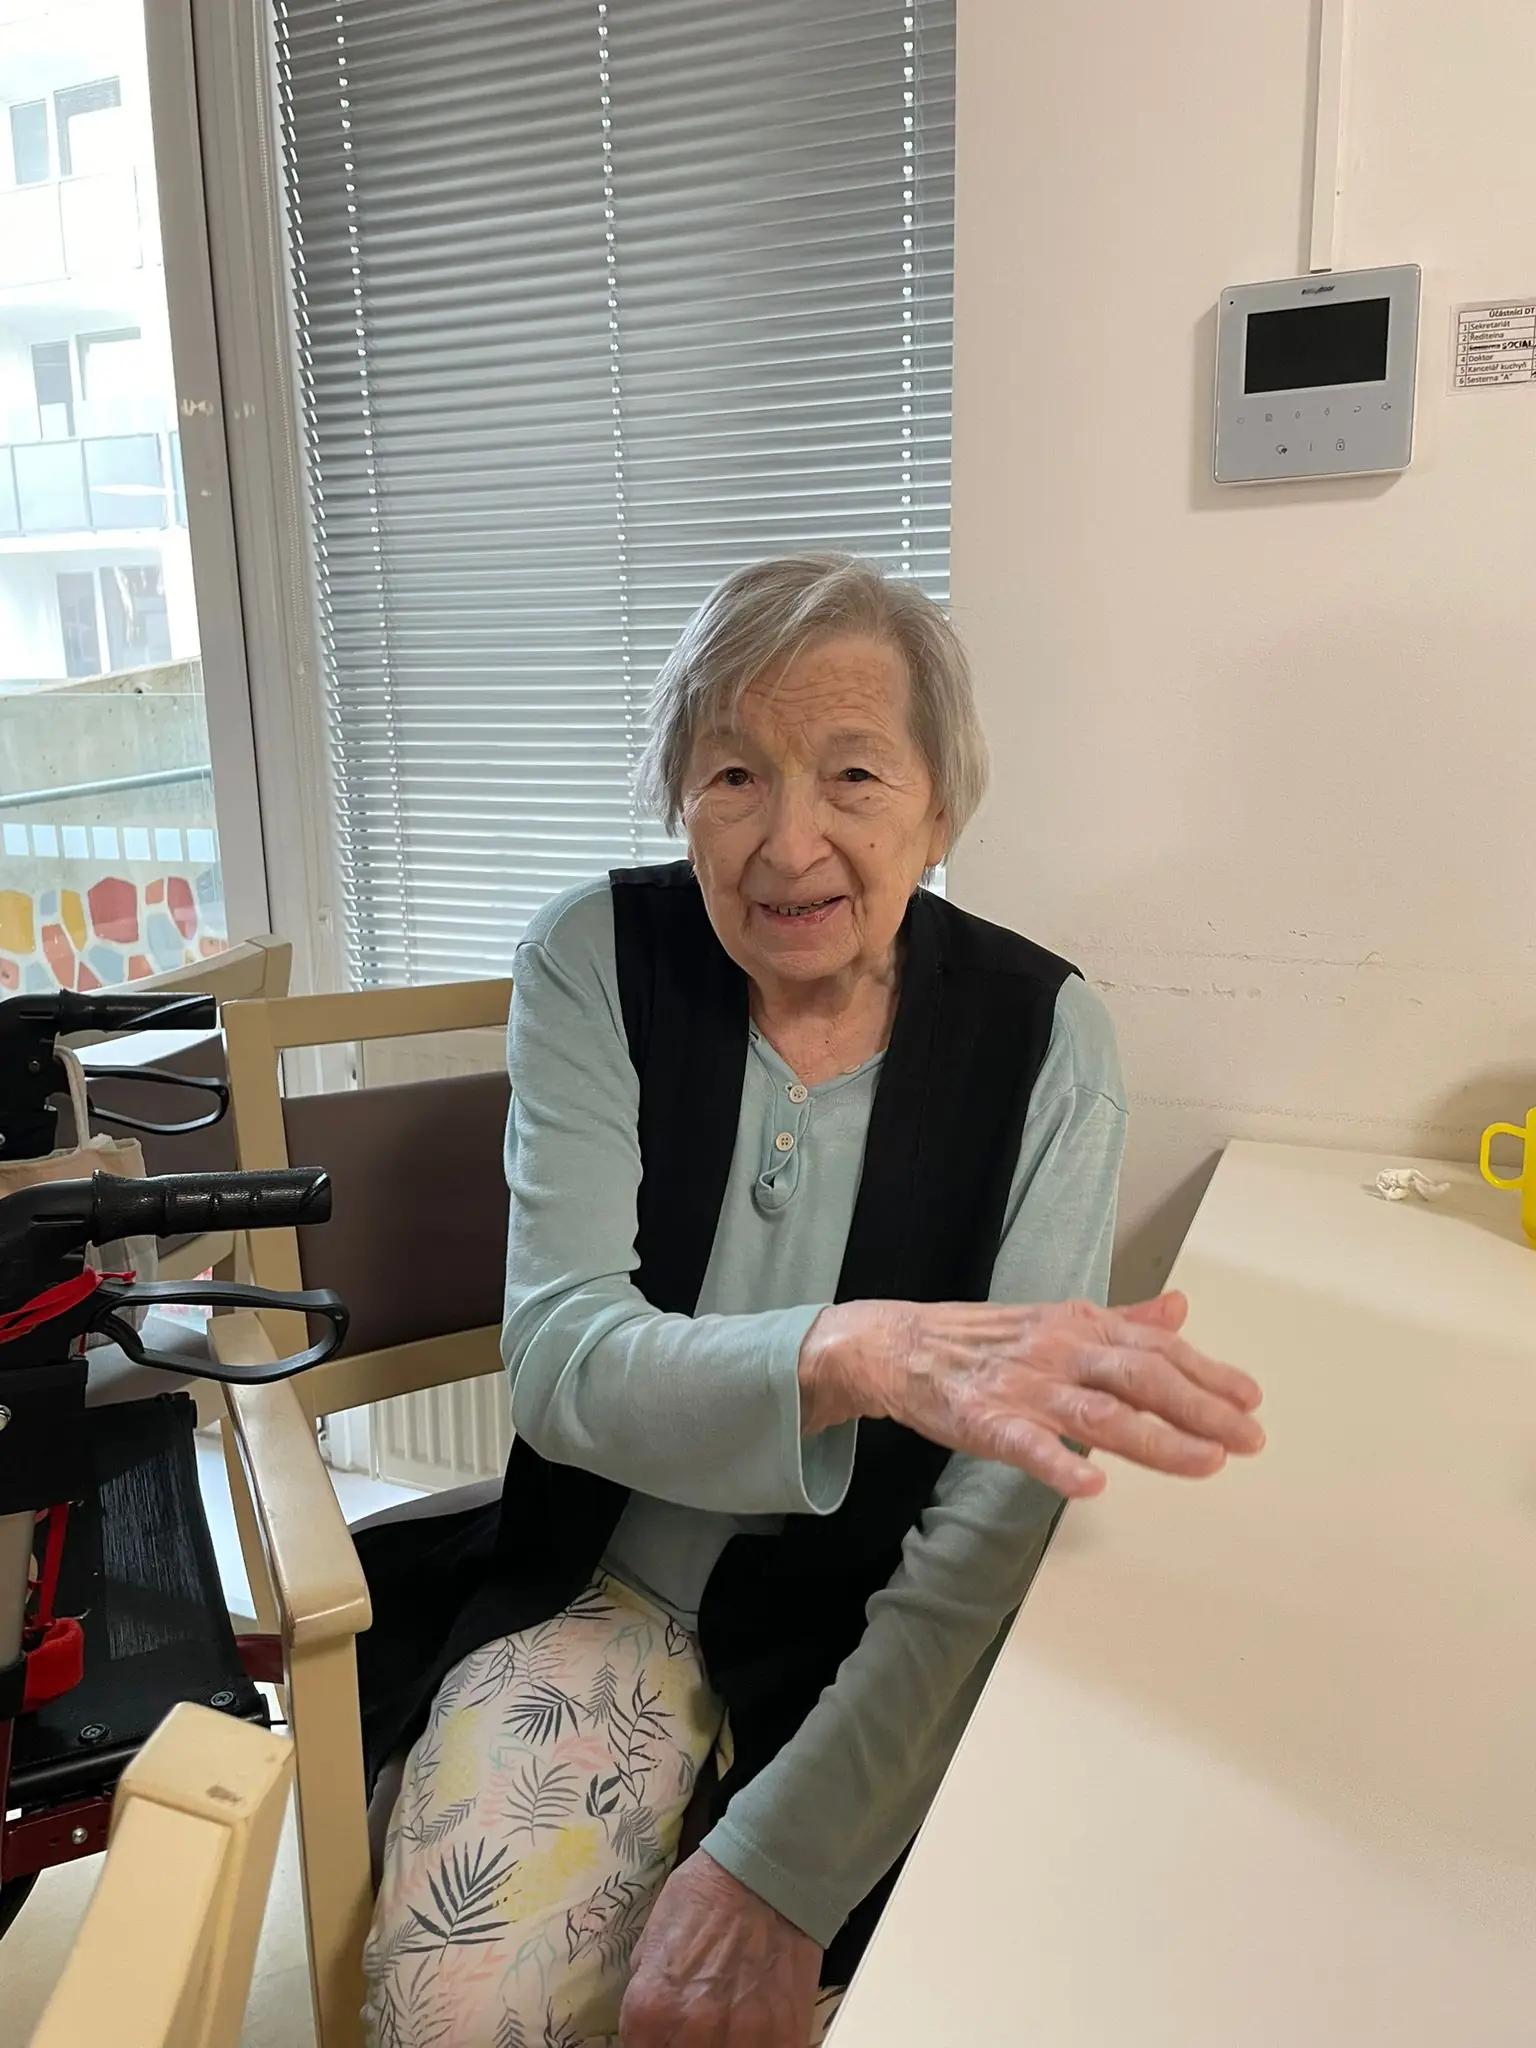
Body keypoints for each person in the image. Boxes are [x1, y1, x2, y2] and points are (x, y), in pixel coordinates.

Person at [358, 557, 1264, 2048]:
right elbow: (562, 1363)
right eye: (734, 774)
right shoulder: (594, 962)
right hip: (603, 1585)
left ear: (939, 807)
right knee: (462, 2015)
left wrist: (781, 1869)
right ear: (682, 799)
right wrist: (850, 1351)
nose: (791, 842)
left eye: (853, 774)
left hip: (882, 1627)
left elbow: (995, 1502)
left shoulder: (1047, 1040)